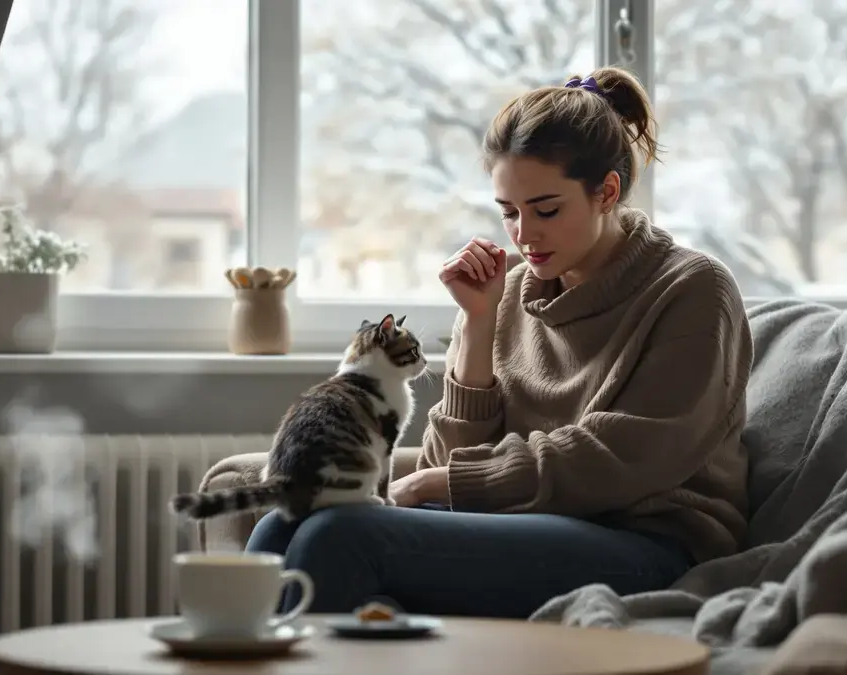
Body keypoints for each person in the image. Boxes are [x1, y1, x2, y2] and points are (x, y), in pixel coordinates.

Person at [247, 66, 753, 619]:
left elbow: (624, 458)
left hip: (650, 543)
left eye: (547, 209)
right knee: (283, 524)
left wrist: (447, 483)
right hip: (524, 529)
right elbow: (449, 456)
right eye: (509, 212)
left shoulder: (693, 289)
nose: (524, 234)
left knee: (340, 538)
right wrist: (479, 322)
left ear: (607, 192)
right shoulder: (508, 288)